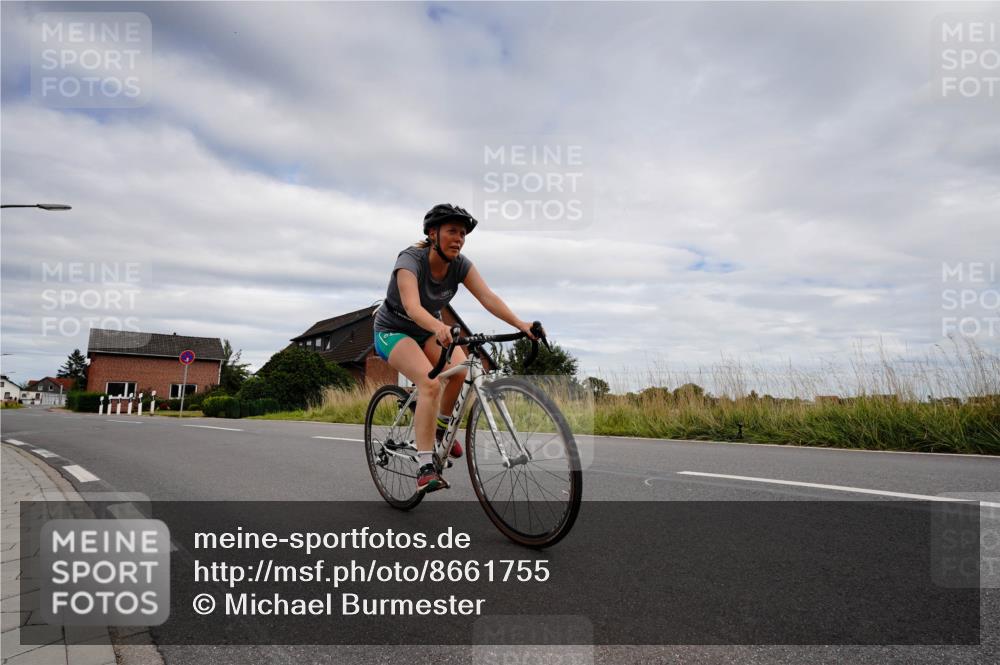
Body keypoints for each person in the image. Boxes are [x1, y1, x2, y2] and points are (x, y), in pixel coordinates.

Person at [373, 203, 538, 493]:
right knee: (430, 382)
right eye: (452, 231)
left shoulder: (460, 264)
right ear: (432, 234)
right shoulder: (410, 260)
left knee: (462, 372)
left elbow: (487, 297)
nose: (458, 239)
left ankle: (439, 429)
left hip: (429, 329)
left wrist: (520, 323)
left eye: (463, 234)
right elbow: (412, 307)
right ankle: (425, 466)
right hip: (394, 330)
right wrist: (438, 327)